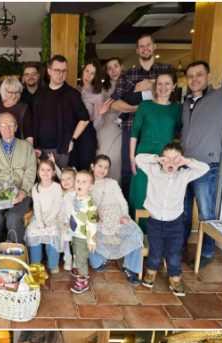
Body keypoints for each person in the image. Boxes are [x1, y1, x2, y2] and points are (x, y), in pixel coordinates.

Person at [136, 144, 209, 295]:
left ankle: (175, 279)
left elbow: (205, 168)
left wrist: (187, 161)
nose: (171, 162)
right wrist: (156, 159)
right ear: (162, 159)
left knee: (174, 253)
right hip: (155, 222)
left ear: (180, 161)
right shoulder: (153, 170)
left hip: (175, 224)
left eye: (175, 159)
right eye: (167, 159)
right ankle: (151, 272)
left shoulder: (184, 175)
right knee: (156, 251)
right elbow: (138, 159)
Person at [110, 34, 177, 197]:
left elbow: (173, 97)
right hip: (130, 127)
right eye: (141, 46)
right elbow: (114, 104)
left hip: (158, 131)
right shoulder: (127, 74)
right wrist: (141, 110)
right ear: (137, 50)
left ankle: (152, 206)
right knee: (128, 170)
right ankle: (127, 208)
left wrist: (151, 84)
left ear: (154, 46)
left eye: (148, 45)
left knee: (158, 169)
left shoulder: (166, 70)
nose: (145, 48)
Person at [180, 60, 222, 267]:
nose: (194, 79)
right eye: (190, 76)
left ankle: (206, 252)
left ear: (209, 76)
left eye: (199, 75)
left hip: (206, 165)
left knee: (206, 213)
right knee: (183, 211)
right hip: (184, 165)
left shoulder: (221, 97)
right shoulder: (186, 102)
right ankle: (180, 247)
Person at [128, 71, 181, 213]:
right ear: (155, 86)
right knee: (141, 191)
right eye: (159, 84)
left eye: (167, 83)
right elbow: (135, 132)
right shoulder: (145, 105)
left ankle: (156, 226)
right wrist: (132, 156)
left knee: (160, 194)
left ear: (174, 86)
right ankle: (138, 225)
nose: (163, 87)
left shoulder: (177, 109)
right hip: (143, 154)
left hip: (166, 157)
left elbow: (182, 132)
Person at [0, 111, 37, 247]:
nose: (7, 128)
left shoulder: (26, 146)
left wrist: (23, 192)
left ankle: (16, 254)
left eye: (11, 124)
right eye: (3, 125)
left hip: (21, 192)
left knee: (13, 219)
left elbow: (31, 171)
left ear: (16, 127)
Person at [90, 155, 144, 286]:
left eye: (106, 167)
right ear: (92, 166)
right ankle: (102, 258)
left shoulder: (112, 183)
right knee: (89, 235)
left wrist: (125, 215)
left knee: (136, 233)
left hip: (117, 216)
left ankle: (130, 267)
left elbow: (122, 201)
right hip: (101, 219)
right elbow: (68, 181)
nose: (102, 170)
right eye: (100, 166)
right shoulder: (87, 183)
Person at [32, 55, 92, 169]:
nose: (61, 74)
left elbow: (84, 119)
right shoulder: (39, 93)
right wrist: (34, 146)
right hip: (40, 149)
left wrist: (72, 140)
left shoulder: (72, 94)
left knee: (61, 179)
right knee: (42, 179)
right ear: (49, 71)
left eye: (64, 71)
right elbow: (33, 120)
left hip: (61, 149)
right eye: (57, 70)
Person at [26, 158, 66, 273]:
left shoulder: (57, 187)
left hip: (54, 216)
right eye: (42, 170)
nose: (45, 172)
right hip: (39, 216)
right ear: (38, 172)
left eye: (48, 170)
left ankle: (52, 264)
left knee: (53, 233)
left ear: (53, 172)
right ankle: (35, 264)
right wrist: (39, 221)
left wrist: (49, 220)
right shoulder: (35, 187)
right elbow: (36, 206)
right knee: (32, 232)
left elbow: (57, 205)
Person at [64, 170, 99, 294]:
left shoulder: (90, 206)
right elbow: (74, 214)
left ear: (90, 187)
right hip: (75, 233)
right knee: (76, 253)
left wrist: (91, 241)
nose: (79, 183)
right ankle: (78, 268)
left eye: (84, 182)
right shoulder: (76, 197)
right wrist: (68, 223)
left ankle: (83, 280)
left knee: (81, 258)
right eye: (78, 181)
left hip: (83, 237)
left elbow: (92, 224)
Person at [0, 78, 34, 148]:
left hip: (17, 148)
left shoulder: (24, 107)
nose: (14, 96)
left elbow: (29, 134)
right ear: (4, 92)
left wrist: (29, 151)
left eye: (17, 92)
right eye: (10, 92)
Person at [97, 58, 124, 184]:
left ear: (121, 67)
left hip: (122, 129)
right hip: (105, 128)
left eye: (116, 66)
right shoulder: (103, 88)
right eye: (109, 68)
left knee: (117, 160)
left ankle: (115, 189)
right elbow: (100, 109)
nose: (113, 71)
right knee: (103, 158)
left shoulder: (129, 85)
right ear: (106, 72)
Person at [78, 60, 107, 169]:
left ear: (96, 76)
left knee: (85, 167)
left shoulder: (97, 95)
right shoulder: (75, 89)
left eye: (92, 73)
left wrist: (100, 113)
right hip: (72, 133)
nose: (88, 75)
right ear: (83, 71)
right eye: (87, 71)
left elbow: (97, 124)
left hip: (87, 134)